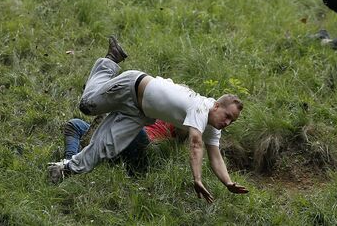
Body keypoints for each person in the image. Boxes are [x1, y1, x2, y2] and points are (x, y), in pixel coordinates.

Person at [47, 36, 248, 204]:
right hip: (132, 86)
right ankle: (110, 61)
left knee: (104, 148)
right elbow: (196, 143)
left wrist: (228, 182)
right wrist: (197, 178)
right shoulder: (202, 106)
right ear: (216, 106)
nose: (227, 122)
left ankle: (63, 169)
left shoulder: (213, 126)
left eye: (232, 121)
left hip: (141, 114)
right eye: (227, 116)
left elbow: (215, 156)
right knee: (87, 105)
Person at [61, 117, 180, 174]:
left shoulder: (178, 119)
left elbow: (183, 138)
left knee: (135, 129)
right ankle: (68, 162)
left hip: (142, 142)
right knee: (74, 124)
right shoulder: (153, 105)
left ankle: (98, 147)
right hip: (119, 133)